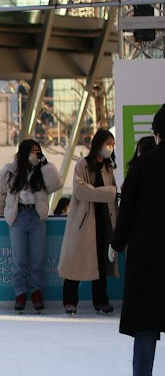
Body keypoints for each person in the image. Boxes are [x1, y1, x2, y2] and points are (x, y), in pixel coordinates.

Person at [111, 104, 165, 376]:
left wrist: (117, 244)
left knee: (147, 321)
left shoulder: (144, 166)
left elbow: (127, 211)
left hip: (149, 253)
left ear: (157, 134)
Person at [0, 136, 61, 313]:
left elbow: (56, 184)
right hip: (18, 215)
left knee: (38, 258)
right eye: (32, 150)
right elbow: (1, 193)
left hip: (37, 216)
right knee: (19, 259)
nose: (36, 154)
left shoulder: (43, 170)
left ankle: (37, 292)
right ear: (23, 152)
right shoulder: (10, 171)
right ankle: (20, 293)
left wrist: (45, 163)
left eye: (38, 150)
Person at [57, 128, 118, 316]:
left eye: (112, 145)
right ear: (98, 144)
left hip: (103, 221)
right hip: (84, 222)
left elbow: (113, 193)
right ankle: (70, 301)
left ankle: (100, 301)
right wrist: (109, 193)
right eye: (108, 144)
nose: (110, 148)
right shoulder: (82, 165)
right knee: (75, 262)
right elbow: (82, 191)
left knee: (99, 262)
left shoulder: (108, 168)